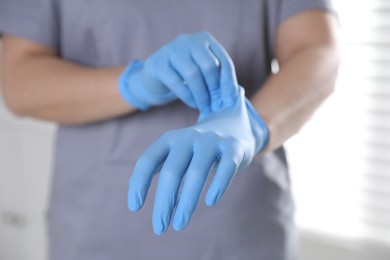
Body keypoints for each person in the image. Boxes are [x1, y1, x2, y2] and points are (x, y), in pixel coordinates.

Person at [0, 0, 340, 259]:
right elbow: (18, 80)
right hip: (98, 229)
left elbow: (317, 50)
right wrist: (134, 83)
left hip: (240, 227)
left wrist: (254, 124)